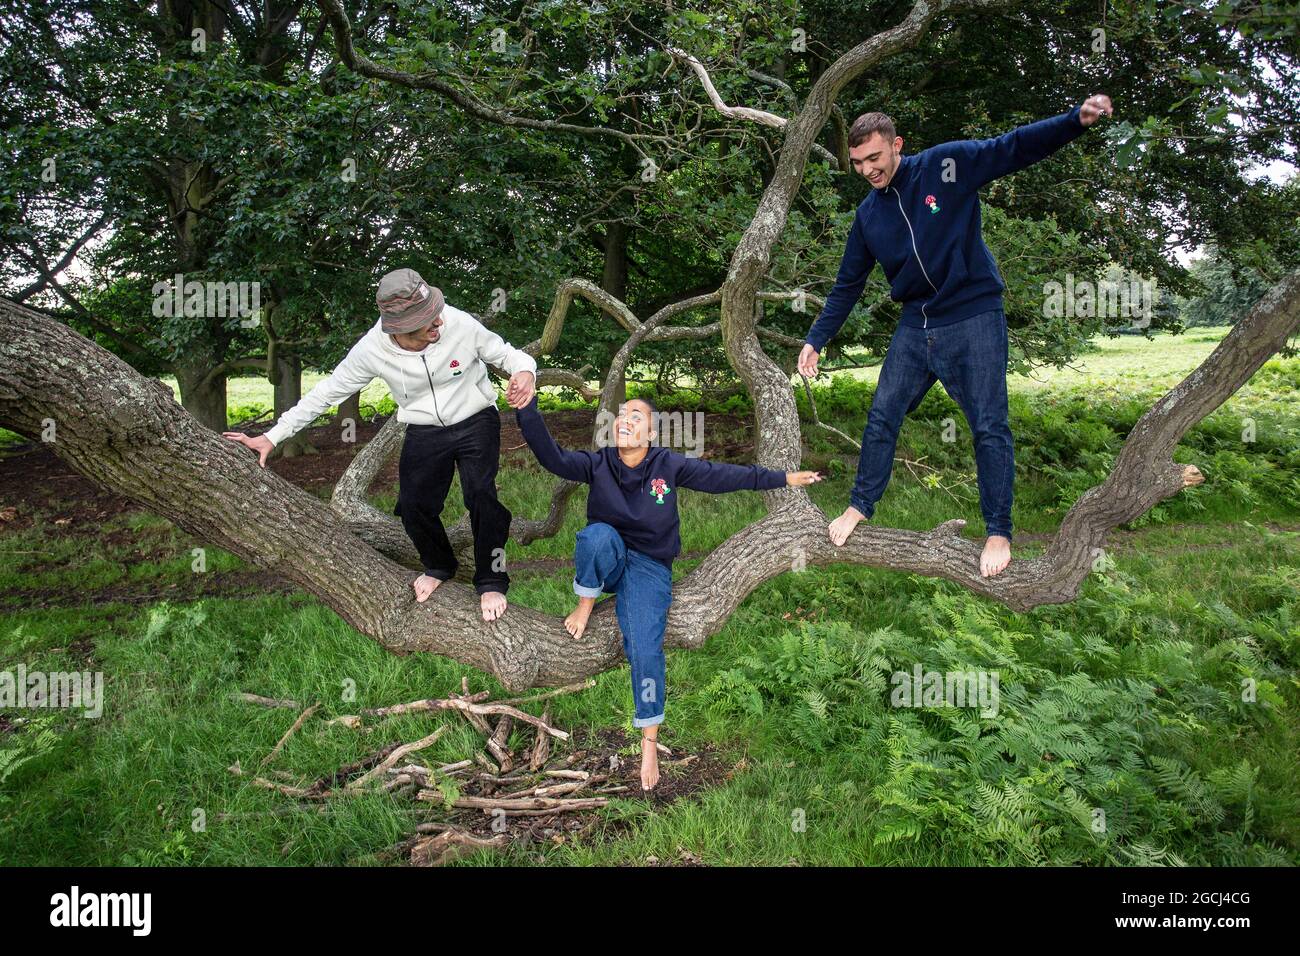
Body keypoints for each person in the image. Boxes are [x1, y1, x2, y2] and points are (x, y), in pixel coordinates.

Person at [798, 94, 1114, 577]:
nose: (867, 170)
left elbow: (1012, 148)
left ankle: (998, 530)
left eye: (875, 159)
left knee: (989, 425)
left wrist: (1076, 121)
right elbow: (848, 285)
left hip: (972, 315)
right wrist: (815, 339)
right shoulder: (868, 216)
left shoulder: (946, 166)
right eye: (858, 163)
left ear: (896, 145)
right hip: (916, 323)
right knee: (882, 416)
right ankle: (859, 505)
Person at [515, 393, 821, 789]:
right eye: (621, 415)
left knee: (645, 648)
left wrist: (783, 478)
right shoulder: (599, 462)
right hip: (608, 560)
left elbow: (722, 476)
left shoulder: (666, 465)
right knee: (595, 537)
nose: (625, 420)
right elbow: (553, 458)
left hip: (648, 567)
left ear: (652, 430)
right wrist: (526, 409)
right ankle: (585, 603)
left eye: (636, 416)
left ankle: (648, 743)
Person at [224, 268, 536, 622]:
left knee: (481, 495)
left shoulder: (459, 323)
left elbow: (509, 355)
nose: (438, 323)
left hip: (475, 418)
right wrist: (273, 436)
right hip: (423, 428)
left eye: (436, 313)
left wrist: (525, 372)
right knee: (413, 505)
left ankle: (491, 578)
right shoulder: (372, 349)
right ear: (399, 328)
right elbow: (326, 393)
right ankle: (439, 566)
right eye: (427, 322)